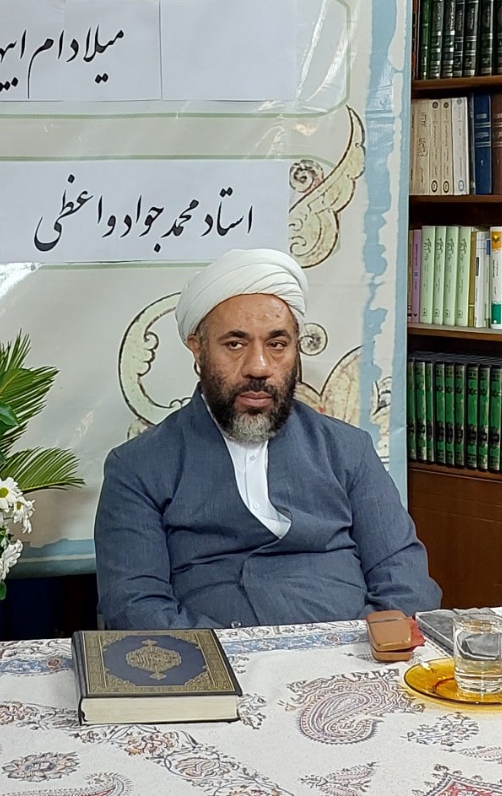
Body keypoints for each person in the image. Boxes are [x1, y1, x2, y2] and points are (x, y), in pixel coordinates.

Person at [94, 247, 441, 629]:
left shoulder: (346, 450)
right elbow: (135, 605)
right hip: (216, 657)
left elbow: (406, 580)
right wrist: (234, 656)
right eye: (235, 344)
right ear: (197, 348)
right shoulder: (139, 466)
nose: (258, 367)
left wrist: (364, 644)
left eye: (277, 345)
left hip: (353, 650)